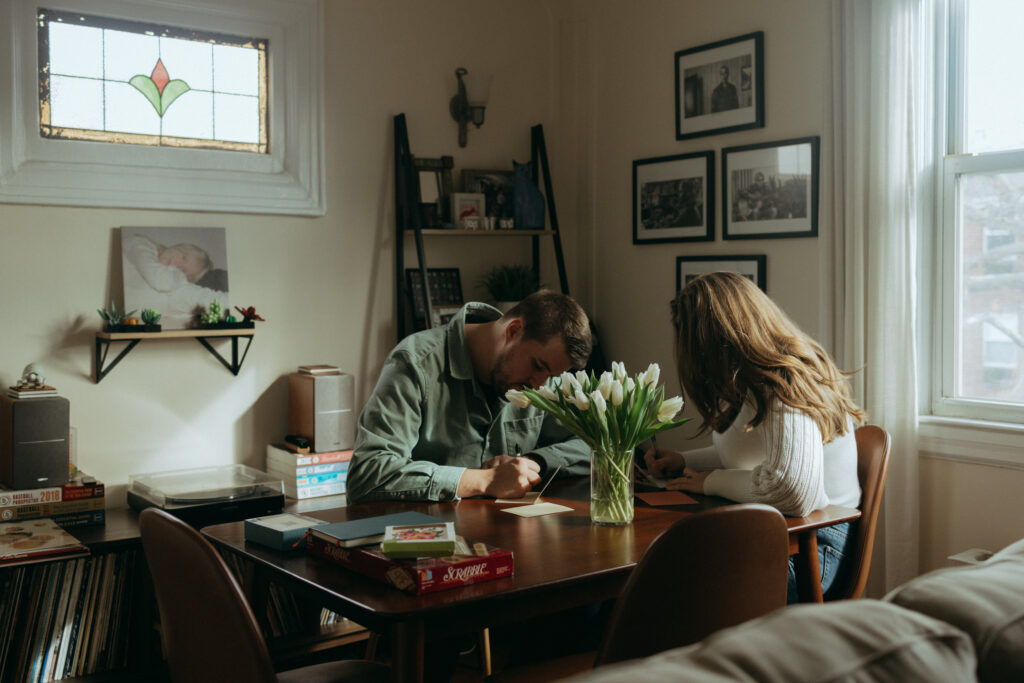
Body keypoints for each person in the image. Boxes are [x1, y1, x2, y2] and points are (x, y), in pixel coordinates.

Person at [644, 272, 866, 602]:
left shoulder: (784, 381)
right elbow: (754, 455)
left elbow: (793, 492)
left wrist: (710, 482)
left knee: (670, 592)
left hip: (814, 549)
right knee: (662, 579)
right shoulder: (751, 378)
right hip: (785, 536)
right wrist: (685, 462)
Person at [347, 289, 594, 505]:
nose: (539, 384)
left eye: (551, 374)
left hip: (507, 540)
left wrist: (534, 462)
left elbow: (595, 441)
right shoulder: (414, 363)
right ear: (514, 331)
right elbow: (368, 474)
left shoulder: (543, 379)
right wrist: (485, 481)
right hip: (423, 544)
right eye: (538, 366)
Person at [123, 233, 222, 327]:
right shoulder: (138, 243)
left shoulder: (169, 288)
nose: (177, 265)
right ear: (180, 247)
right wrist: (178, 274)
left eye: (183, 270)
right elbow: (162, 281)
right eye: (184, 258)